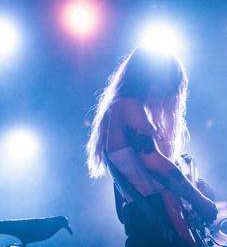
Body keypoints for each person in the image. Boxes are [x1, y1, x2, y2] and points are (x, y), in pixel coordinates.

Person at [86, 47, 218, 247]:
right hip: (157, 234)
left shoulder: (121, 111)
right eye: (168, 85)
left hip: (148, 227)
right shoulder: (127, 106)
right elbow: (154, 162)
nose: (168, 95)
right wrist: (199, 200)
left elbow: (124, 209)